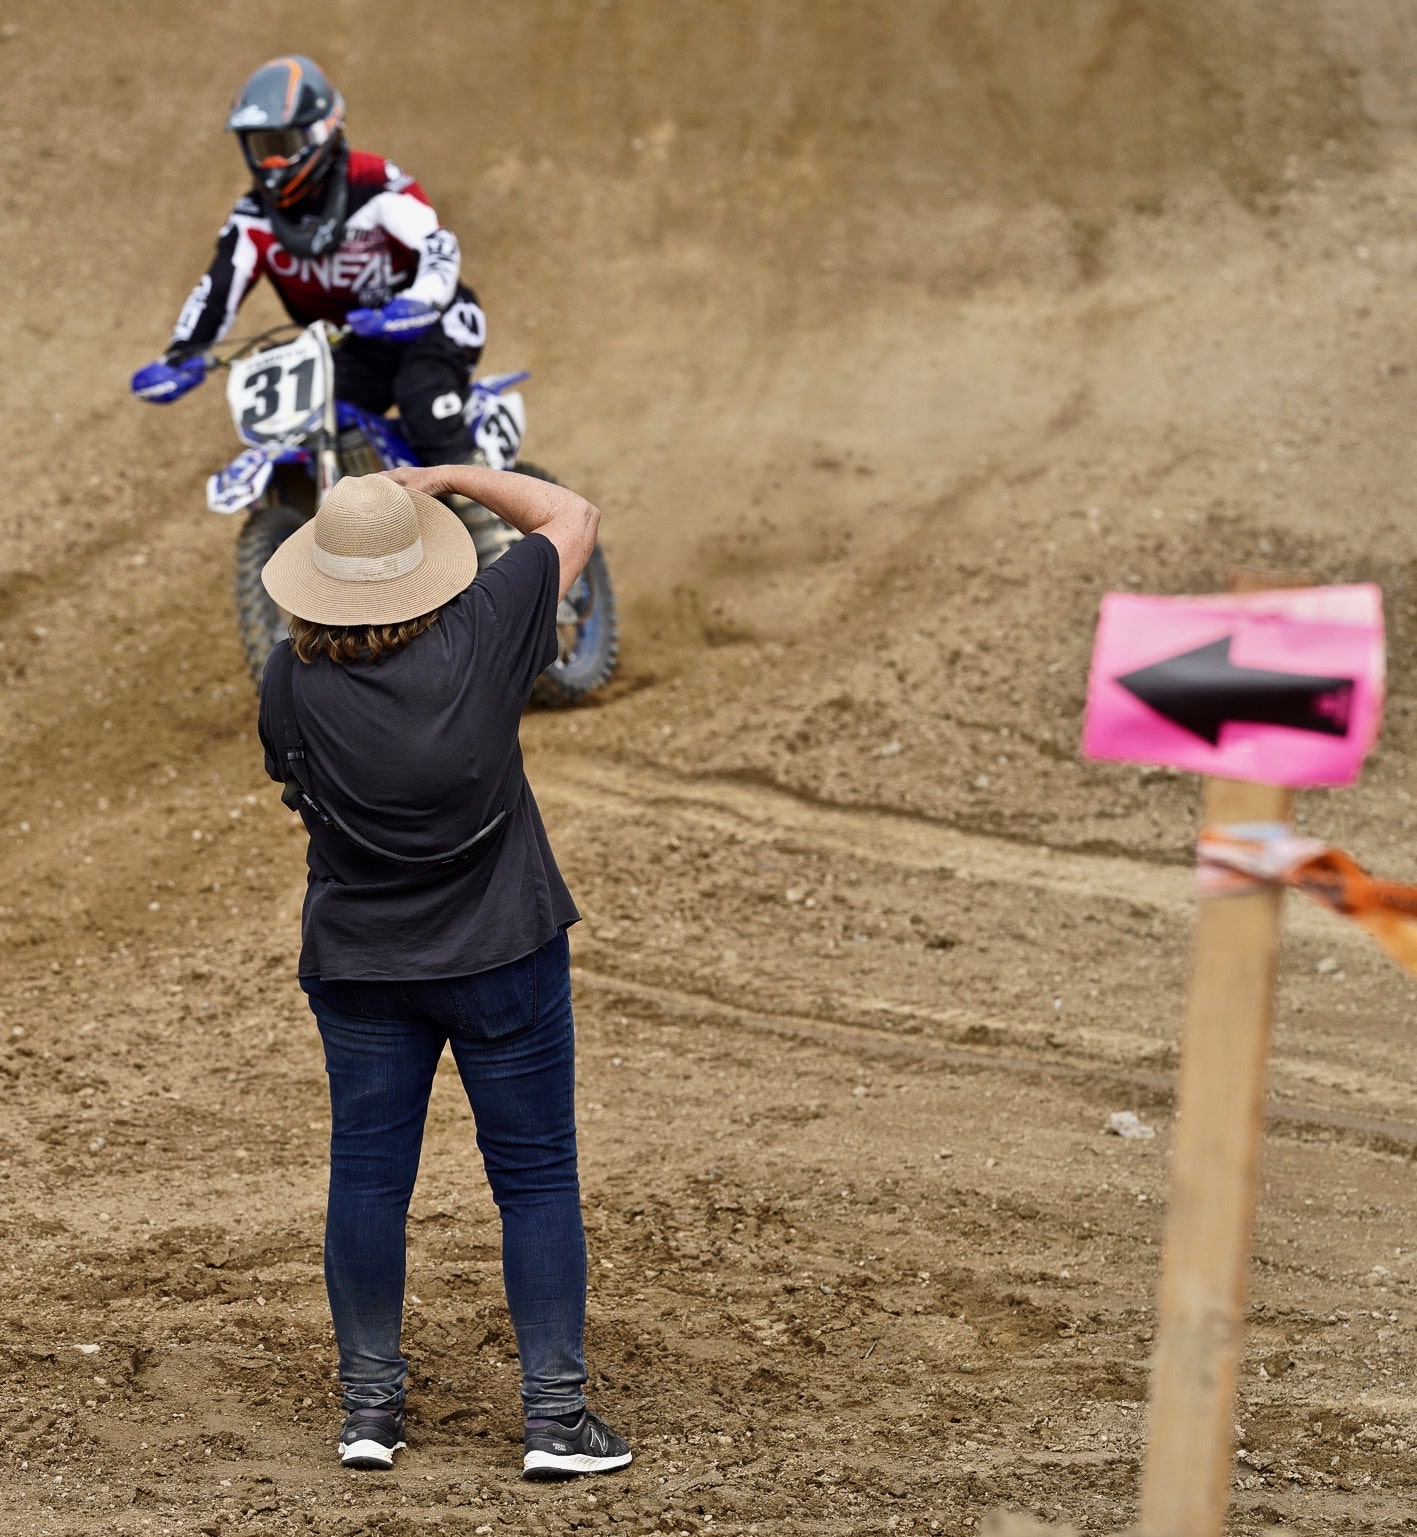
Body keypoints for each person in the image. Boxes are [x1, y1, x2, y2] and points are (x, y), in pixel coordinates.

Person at [255, 464, 631, 1480]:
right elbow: (573, 515)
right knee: (536, 1177)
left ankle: (368, 1412)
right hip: (504, 945)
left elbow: (294, 785)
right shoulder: (488, 628)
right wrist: (453, 474)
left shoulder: (289, 680)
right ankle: (555, 1419)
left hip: (360, 962)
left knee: (368, 1180)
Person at [130, 56, 487, 465]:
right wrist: (180, 354)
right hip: (353, 345)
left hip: (430, 329)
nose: (272, 164)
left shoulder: (373, 183)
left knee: (423, 399)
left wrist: (422, 301)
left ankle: (478, 510)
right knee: (308, 420)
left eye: (283, 146)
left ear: (321, 131)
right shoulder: (253, 216)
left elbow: (439, 245)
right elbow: (217, 291)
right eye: (261, 148)